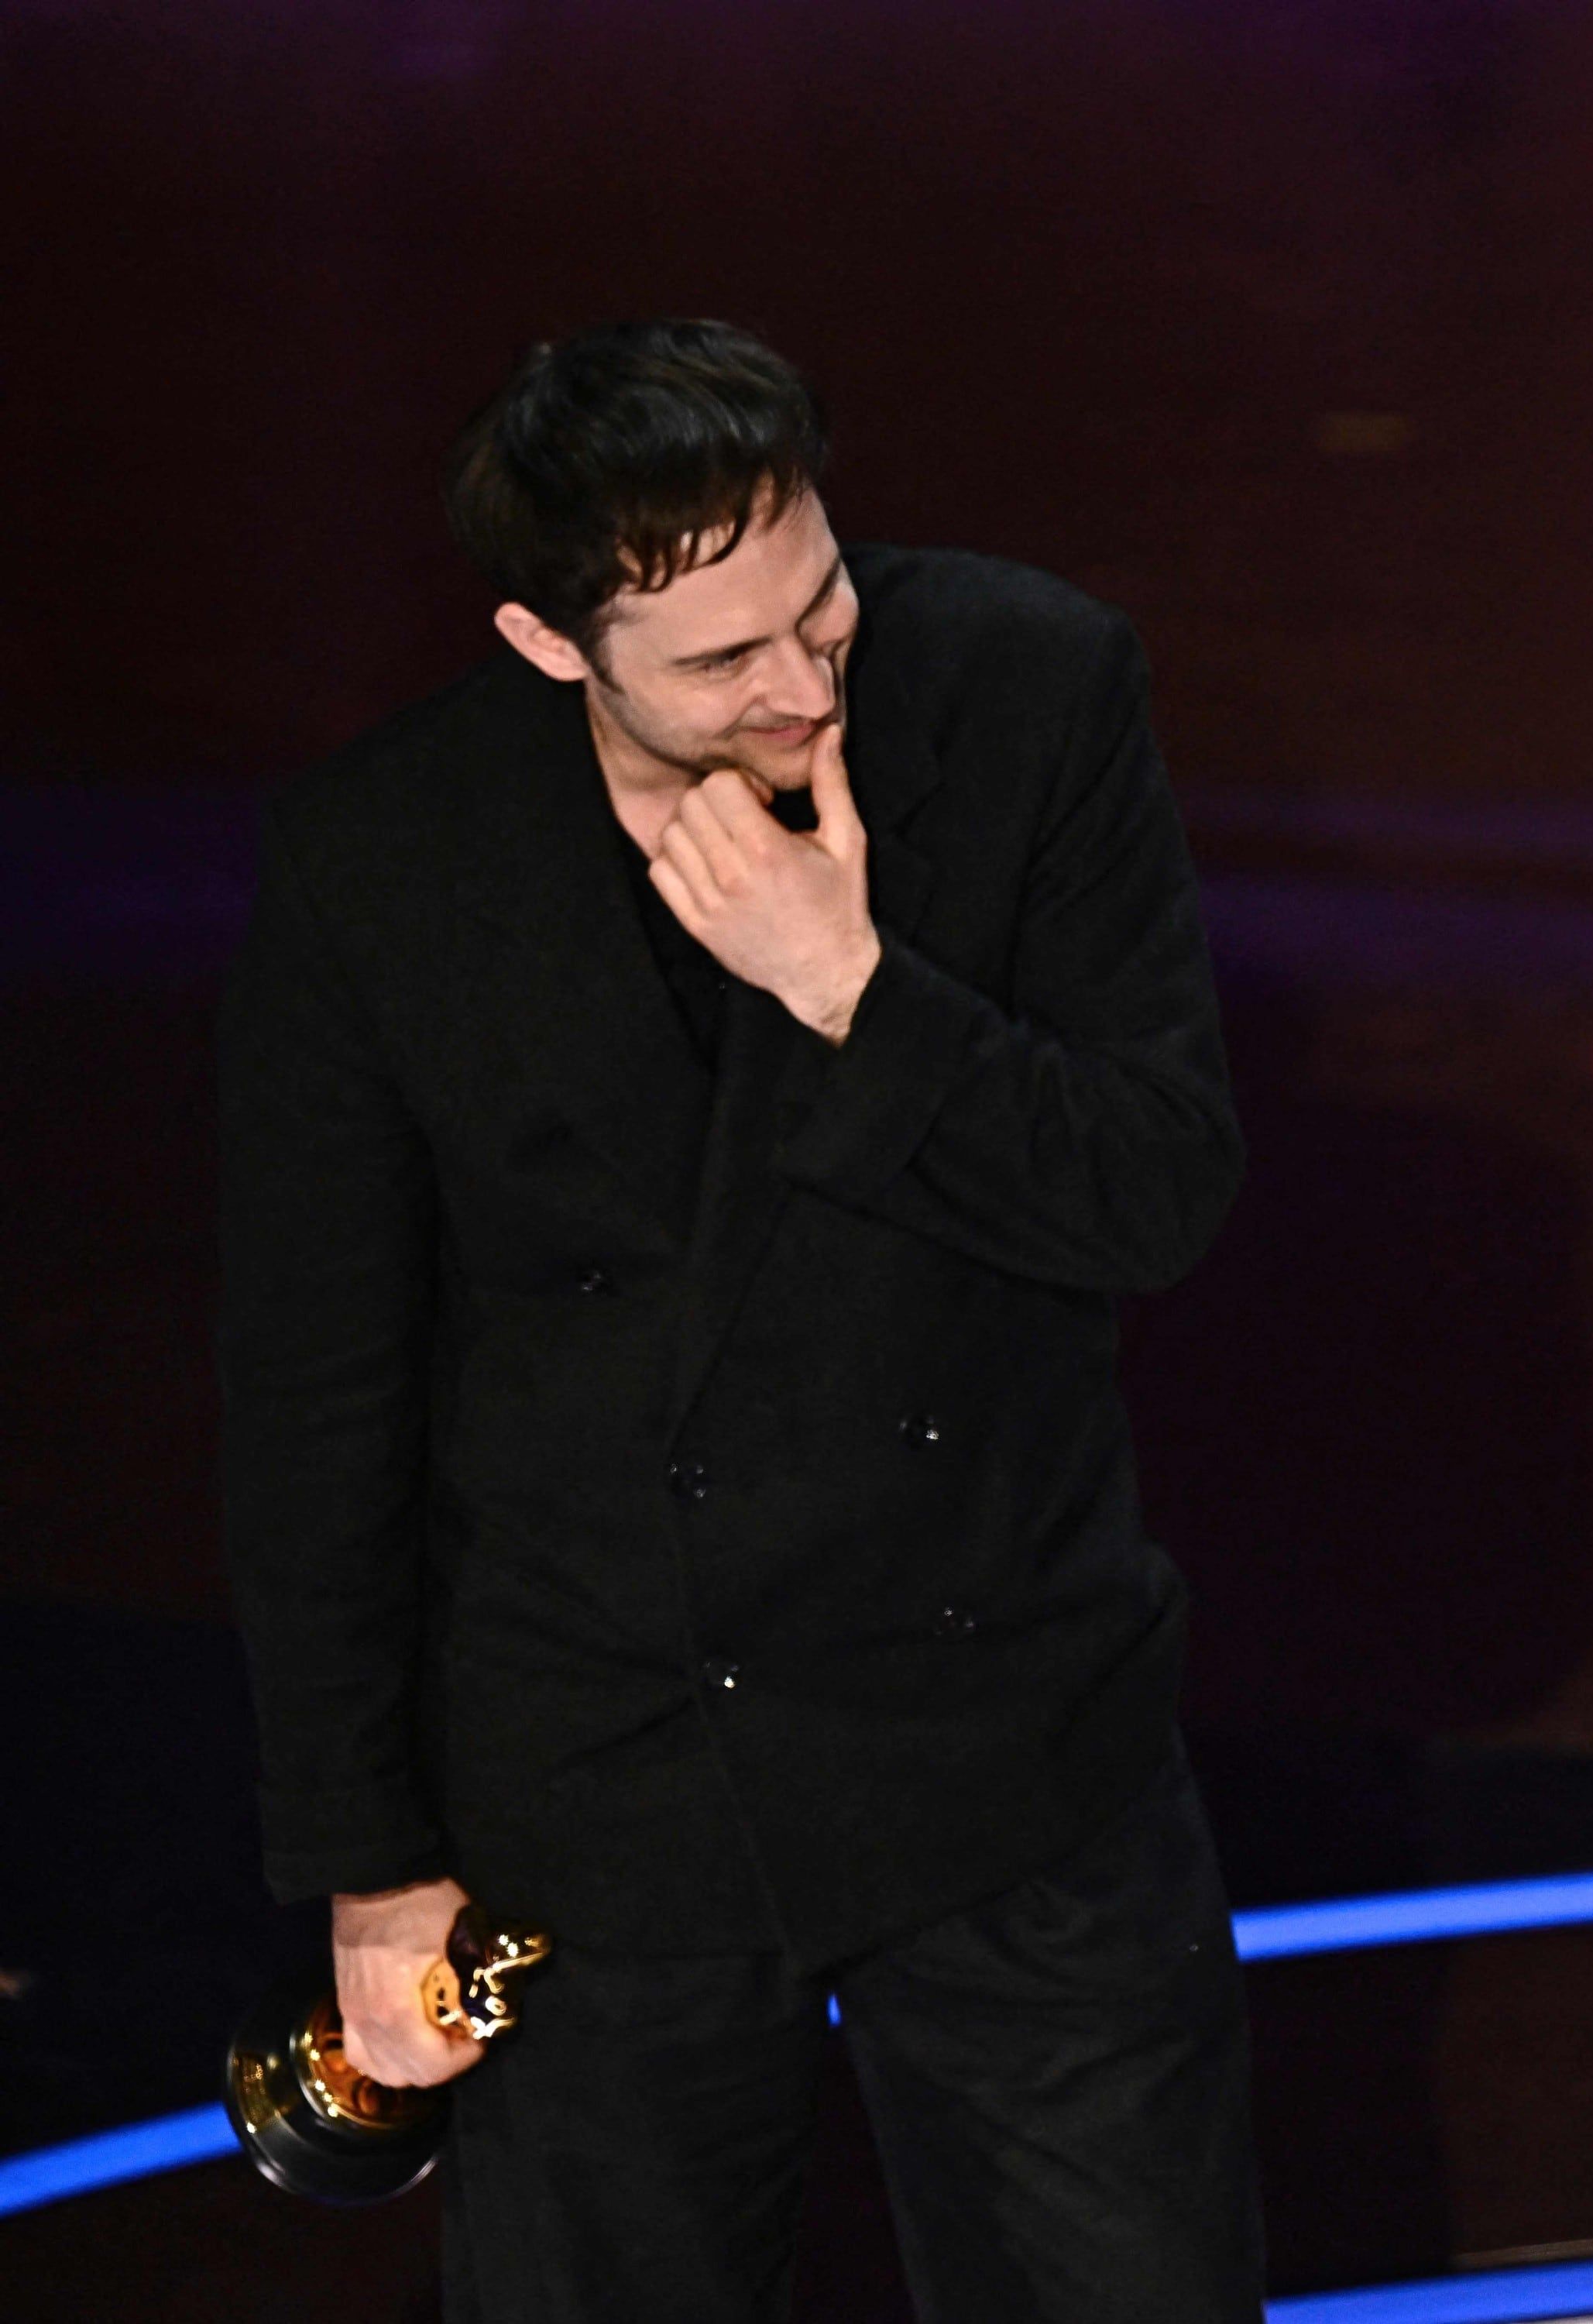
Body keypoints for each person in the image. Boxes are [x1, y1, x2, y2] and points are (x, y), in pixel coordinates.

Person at [218, 319, 1261, 2322]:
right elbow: (317, 1397)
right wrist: (369, 1859)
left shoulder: (1025, 690)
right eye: (720, 664)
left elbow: (1157, 1192)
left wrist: (858, 988)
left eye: (823, 605)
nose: (802, 687)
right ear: (549, 648)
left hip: (1005, 1740)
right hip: (600, 1786)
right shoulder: (383, 866)